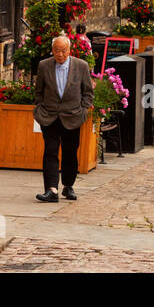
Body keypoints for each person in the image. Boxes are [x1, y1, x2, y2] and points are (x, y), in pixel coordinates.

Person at [33, 34, 95, 203]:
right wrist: (39, 108)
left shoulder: (81, 66)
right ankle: (51, 189)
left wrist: (83, 110)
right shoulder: (44, 66)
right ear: (52, 50)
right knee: (50, 151)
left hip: (73, 116)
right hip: (49, 116)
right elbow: (39, 91)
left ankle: (68, 185)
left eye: (63, 51)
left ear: (69, 50)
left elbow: (88, 92)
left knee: (70, 152)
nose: (60, 54)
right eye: (56, 51)